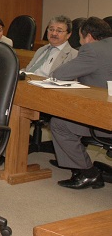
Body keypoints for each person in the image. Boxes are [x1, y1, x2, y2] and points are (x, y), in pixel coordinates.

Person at [49, 17, 112, 189]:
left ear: (89, 37)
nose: (81, 43)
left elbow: (59, 74)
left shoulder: (92, 50)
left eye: (81, 38)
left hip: (106, 120)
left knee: (60, 124)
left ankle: (88, 173)